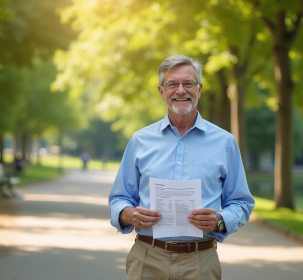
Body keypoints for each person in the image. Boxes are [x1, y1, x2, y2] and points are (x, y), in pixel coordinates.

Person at [108, 54, 255, 280]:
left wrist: (220, 220)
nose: (180, 90)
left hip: (200, 261)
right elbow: (119, 198)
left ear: (199, 89)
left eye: (188, 83)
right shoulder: (140, 141)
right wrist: (129, 214)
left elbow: (241, 202)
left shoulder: (225, 143)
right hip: (147, 258)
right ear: (161, 91)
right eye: (172, 84)